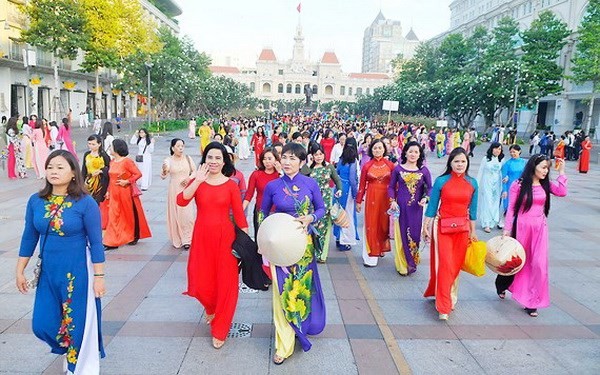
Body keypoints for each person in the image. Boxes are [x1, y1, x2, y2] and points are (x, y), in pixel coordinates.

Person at [16, 150, 106, 373]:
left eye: (59, 167)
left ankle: (77, 366)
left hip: (76, 271)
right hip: (48, 271)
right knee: (42, 324)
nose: (53, 172)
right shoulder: (36, 201)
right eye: (50, 167)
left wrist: (99, 277)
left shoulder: (85, 204)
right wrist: (20, 270)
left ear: (74, 173)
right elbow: (29, 236)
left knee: (76, 321)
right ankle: (67, 348)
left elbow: (96, 243)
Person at [177, 142, 248, 349]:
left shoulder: (231, 185)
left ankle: (221, 328)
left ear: (225, 160)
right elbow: (181, 201)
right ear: (204, 160)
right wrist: (197, 180)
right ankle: (210, 306)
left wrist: (245, 243)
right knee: (200, 280)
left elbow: (240, 217)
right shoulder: (197, 181)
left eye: (218, 158)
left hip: (225, 239)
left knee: (227, 284)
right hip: (202, 238)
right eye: (210, 157)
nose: (214, 161)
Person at [260, 143, 326, 365]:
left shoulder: (310, 183)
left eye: (293, 158)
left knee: (300, 289)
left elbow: (321, 209)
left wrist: (311, 218)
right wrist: (263, 242)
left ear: (302, 162)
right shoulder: (272, 186)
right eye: (284, 157)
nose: (287, 162)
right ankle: (284, 343)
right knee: (281, 291)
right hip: (280, 247)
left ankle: (300, 328)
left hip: (303, 247)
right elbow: (262, 214)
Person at [497, 155, 567, 317]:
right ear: (533, 166)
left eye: (547, 168)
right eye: (543, 167)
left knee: (539, 265)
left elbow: (562, 192)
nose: (545, 170)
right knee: (519, 262)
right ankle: (502, 284)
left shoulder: (545, 184)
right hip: (522, 228)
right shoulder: (518, 185)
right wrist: (507, 230)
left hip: (540, 229)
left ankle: (532, 300)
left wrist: (562, 172)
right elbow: (512, 209)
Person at [422, 147, 478, 320]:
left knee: (455, 265)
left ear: (467, 163)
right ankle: (444, 306)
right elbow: (432, 206)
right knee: (445, 264)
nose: (460, 164)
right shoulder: (441, 181)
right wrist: (426, 225)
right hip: (442, 228)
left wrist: (473, 232)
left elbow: (473, 210)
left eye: (463, 161)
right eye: (456, 161)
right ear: (450, 163)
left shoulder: (473, 183)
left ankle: (448, 294)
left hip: (462, 229)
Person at [388, 141, 432, 275]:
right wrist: (392, 201)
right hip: (400, 207)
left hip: (416, 208)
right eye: (411, 151)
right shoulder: (398, 169)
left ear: (420, 155)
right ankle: (402, 265)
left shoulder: (424, 170)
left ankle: (411, 262)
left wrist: (426, 198)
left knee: (413, 235)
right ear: (405, 152)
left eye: (416, 152)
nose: (413, 154)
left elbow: (430, 188)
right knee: (401, 235)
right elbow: (390, 187)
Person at [103, 139, 152, 250]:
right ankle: (111, 240)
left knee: (127, 215)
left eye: (111, 146)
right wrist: (108, 191)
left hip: (125, 192)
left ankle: (131, 235)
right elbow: (111, 179)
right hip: (114, 193)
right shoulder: (112, 162)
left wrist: (127, 181)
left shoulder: (127, 162)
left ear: (117, 148)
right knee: (113, 216)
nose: (110, 148)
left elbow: (138, 174)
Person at [356, 139, 396, 267]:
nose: (377, 150)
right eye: (375, 148)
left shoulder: (390, 165)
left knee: (383, 225)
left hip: (386, 199)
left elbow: (396, 185)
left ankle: (380, 248)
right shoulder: (367, 166)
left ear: (384, 149)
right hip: (372, 198)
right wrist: (358, 201)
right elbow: (362, 185)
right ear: (371, 150)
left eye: (379, 148)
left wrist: (396, 199)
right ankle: (370, 255)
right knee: (371, 224)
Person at [303, 143, 343, 262]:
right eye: (316, 154)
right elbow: (300, 176)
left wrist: (339, 190)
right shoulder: (309, 168)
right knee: (313, 225)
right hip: (311, 201)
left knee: (324, 227)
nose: (319, 157)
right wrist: (309, 164)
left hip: (325, 200)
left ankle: (322, 254)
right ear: (312, 156)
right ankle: (312, 252)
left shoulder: (329, 167)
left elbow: (337, 180)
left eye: (320, 154)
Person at [161, 138, 196, 249]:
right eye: (178, 146)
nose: (181, 148)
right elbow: (163, 175)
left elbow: (195, 171)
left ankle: (188, 239)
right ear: (172, 148)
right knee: (176, 214)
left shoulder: (188, 158)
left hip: (186, 189)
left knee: (187, 215)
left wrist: (189, 178)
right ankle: (178, 237)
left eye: (182, 146)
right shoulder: (168, 160)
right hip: (174, 189)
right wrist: (165, 170)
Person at [243, 147, 280, 239]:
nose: (267, 161)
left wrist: (281, 172)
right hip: (261, 211)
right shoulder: (256, 174)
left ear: (276, 159)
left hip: (277, 212)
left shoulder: (280, 175)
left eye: (270, 158)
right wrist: (241, 209)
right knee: (260, 239)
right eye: (264, 159)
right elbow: (249, 194)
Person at [334, 137, 360, 251]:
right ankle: (345, 241)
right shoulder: (354, 161)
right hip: (348, 189)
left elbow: (337, 172)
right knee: (348, 214)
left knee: (338, 212)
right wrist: (355, 194)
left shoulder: (341, 159)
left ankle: (338, 238)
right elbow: (353, 180)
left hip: (339, 187)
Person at [477, 142, 504, 233]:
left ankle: (492, 222)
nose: (497, 151)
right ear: (492, 149)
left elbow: (502, 173)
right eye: (496, 148)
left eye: (499, 149)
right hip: (487, 183)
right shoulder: (486, 159)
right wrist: (476, 184)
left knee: (495, 203)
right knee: (487, 202)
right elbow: (480, 171)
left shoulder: (501, 160)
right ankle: (486, 223)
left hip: (497, 184)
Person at [81, 135, 111, 204]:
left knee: (98, 202)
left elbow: (110, 168)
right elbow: (84, 170)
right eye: (89, 144)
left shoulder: (104, 155)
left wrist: (101, 171)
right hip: (89, 182)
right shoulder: (87, 155)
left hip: (101, 183)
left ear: (99, 144)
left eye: (93, 144)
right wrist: (81, 182)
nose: (91, 146)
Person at [501, 145, 527, 214]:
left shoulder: (524, 162)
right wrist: (504, 190)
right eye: (511, 152)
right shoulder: (507, 164)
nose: (512, 154)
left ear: (519, 151)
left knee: (521, 206)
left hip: (521, 187)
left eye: (514, 152)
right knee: (509, 207)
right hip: (510, 187)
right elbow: (503, 178)